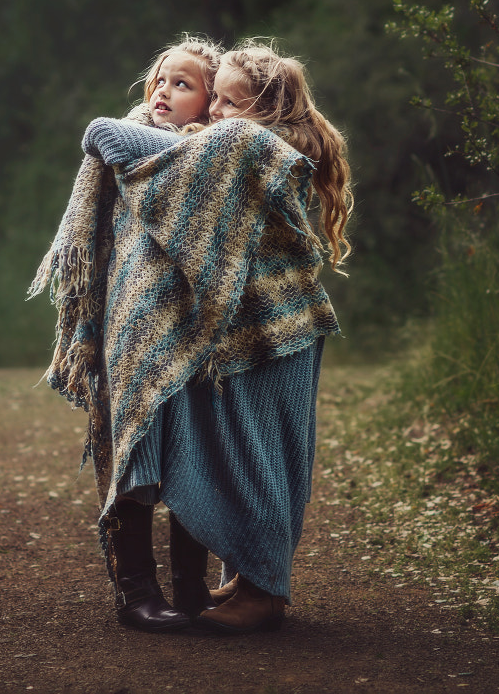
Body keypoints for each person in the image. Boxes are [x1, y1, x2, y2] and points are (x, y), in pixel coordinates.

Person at [29, 38, 352, 637]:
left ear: (213, 107)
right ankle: (136, 591)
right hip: (134, 326)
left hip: (199, 335)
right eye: (159, 79)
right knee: (132, 450)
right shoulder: (174, 154)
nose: (162, 92)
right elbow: (105, 136)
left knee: (191, 454)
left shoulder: (225, 152)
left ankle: (191, 589)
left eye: (186, 85)